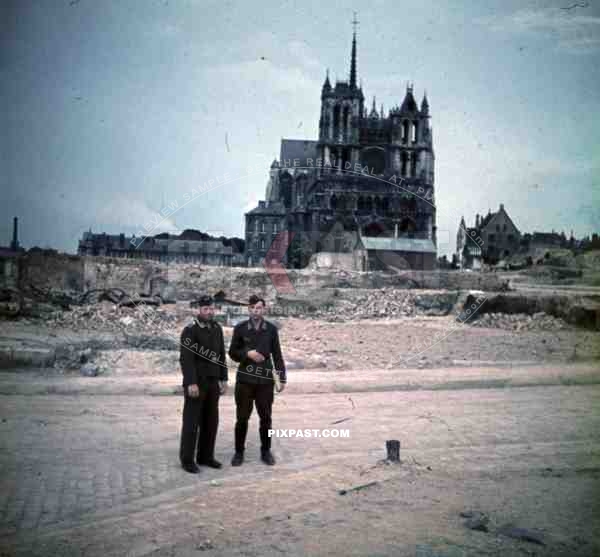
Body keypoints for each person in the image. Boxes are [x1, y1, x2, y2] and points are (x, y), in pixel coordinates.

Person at [228, 294, 286, 466]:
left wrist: (281, 378)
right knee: (242, 418)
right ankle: (239, 452)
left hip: (265, 381)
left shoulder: (271, 329)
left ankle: (266, 451)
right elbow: (232, 353)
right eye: (252, 308)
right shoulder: (240, 328)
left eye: (259, 308)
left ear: (263, 309)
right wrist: (247, 353)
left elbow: (277, 354)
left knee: (266, 418)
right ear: (248, 309)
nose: (255, 311)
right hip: (245, 380)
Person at [179, 295, 228, 474]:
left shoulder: (217, 328)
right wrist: (191, 382)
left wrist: (224, 378)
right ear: (198, 310)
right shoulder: (190, 330)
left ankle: (206, 456)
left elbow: (222, 354)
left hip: (213, 381)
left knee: (211, 421)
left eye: (211, 309)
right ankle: (187, 460)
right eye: (205, 309)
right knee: (192, 423)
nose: (209, 312)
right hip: (196, 383)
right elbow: (186, 359)